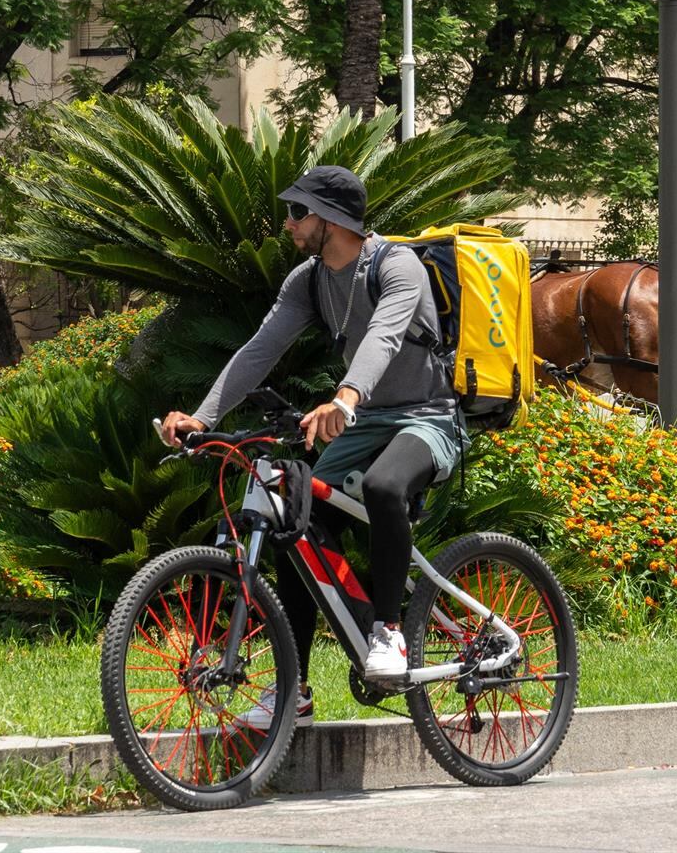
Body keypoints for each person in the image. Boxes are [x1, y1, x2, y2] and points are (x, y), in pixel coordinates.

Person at [156, 165, 463, 728]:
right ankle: (292, 688)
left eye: (298, 212)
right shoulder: (309, 279)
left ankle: (388, 633)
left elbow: (385, 336)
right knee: (294, 525)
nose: (288, 223)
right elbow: (259, 350)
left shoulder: (397, 265)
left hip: (427, 418)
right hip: (366, 421)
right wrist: (201, 418)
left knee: (383, 485)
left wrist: (345, 398)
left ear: (331, 219)